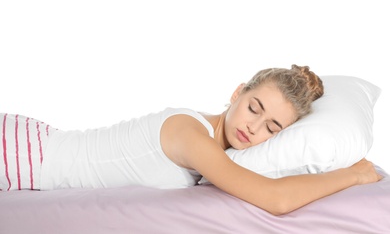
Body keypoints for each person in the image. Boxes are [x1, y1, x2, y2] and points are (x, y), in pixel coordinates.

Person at [0, 64, 382, 215]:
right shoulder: (191, 135)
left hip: (34, 142)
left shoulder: (213, 146)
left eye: (271, 127)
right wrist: (353, 175)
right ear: (237, 93)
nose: (254, 128)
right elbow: (275, 199)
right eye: (254, 107)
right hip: (20, 155)